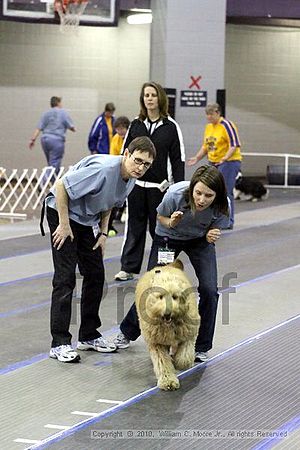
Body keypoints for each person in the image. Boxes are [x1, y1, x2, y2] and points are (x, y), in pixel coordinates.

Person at [45, 136, 156, 363]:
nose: (140, 167)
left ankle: (88, 336)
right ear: (126, 154)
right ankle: (59, 343)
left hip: (88, 221)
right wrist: (64, 225)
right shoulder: (104, 170)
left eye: (146, 165)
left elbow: (110, 204)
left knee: (96, 275)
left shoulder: (131, 178)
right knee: (65, 278)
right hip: (62, 212)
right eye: (137, 160)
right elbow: (61, 186)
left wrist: (103, 233)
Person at [114, 165, 230, 363]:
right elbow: (160, 217)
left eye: (208, 196)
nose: (202, 200)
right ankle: (127, 332)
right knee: (153, 287)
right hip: (168, 238)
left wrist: (212, 235)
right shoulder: (175, 194)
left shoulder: (222, 205)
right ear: (192, 188)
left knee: (210, 290)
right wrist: (171, 222)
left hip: (199, 241)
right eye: (198, 193)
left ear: (216, 195)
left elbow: (216, 229)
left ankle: (201, 346)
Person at [114, 81, 185, 281]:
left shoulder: (171, 127)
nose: (150, 99)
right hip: (135, 188)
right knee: (134, 229)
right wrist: (121, 181)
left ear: (160, 98)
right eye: (146, 95)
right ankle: (127, 268)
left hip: (160, 190)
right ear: (142, 99)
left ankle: (165, 268)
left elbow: (178, 160)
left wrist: (178, 191)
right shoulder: (135, 125)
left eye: (153, 95)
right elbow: (124, 154)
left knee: (161, 231)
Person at [187, 103, 242, 229]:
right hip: (213, 162)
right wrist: (197, 158)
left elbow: (234, 144)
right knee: (210, 191)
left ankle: (228, 221)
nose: (209, 117)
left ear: (218, 113)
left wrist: (225, 158)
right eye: (207, 114)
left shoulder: (226, 125)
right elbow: (206, 146)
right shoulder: (209, 127)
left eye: (211, 114)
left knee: (225, 191)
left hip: (229, 162)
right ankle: (212, 219)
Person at [29, 96, 75, 176]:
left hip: (45, 139)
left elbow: (39, 128)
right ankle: (42, 183)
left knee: (51, 162)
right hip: (56, 140)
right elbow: (72, 127)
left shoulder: (45, 113)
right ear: (58, 103)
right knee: (54, 163)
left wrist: (32, 140)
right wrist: (72, 128)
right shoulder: (63, 113)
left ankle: (54, 183)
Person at [108, 116, 131, 236]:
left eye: (122, 128)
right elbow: (113, 156)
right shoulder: (115, 139)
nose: (119, 131)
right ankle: (109, 224)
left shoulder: (132, 138)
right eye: (117, 129)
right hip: (119, 171)